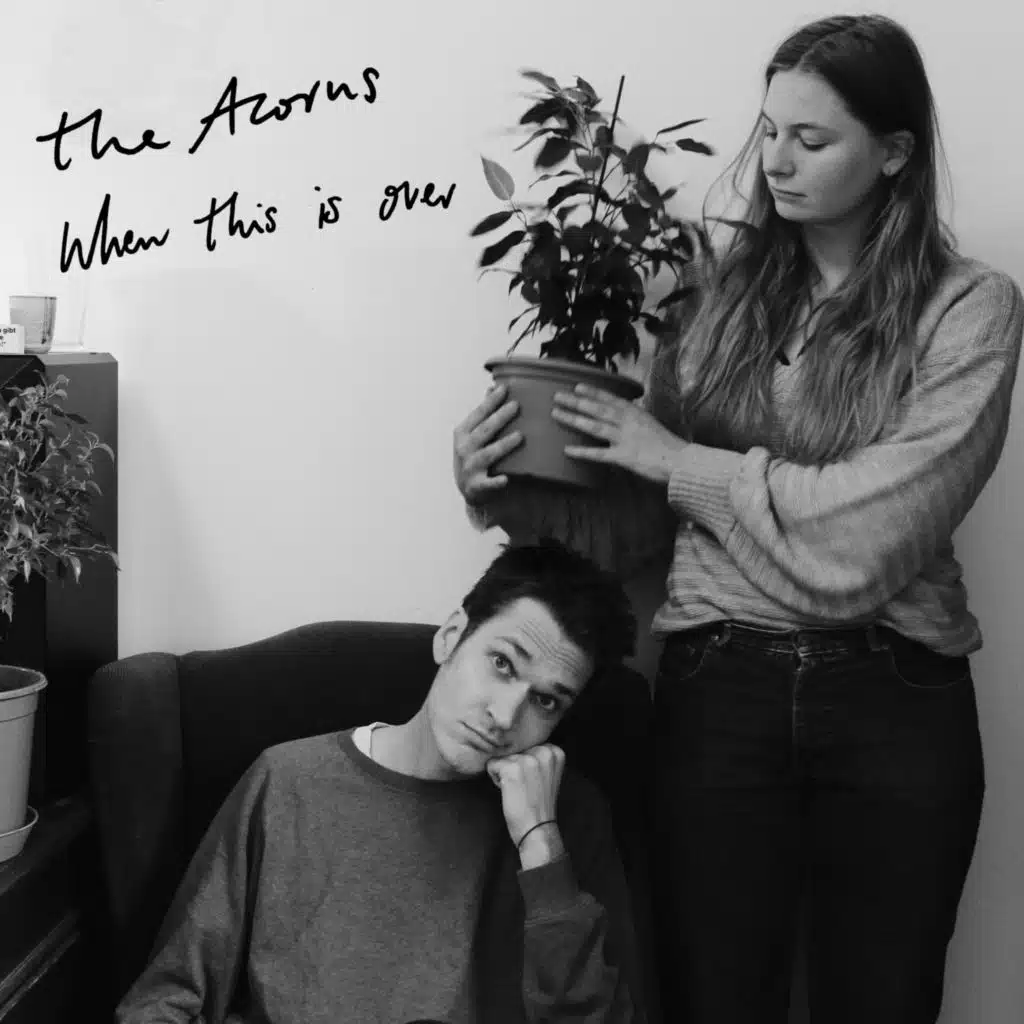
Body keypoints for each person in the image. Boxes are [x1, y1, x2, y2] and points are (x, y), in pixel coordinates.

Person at [453, 14, 1024, 1024]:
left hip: (894, 700)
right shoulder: (714, 300)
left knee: (884, 1003)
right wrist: (497, 486)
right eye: (768, 132)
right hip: (718, 692)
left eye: (812, 139)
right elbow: (641, 530)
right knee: (709, 1001)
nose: (775, 162)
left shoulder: (968, 309)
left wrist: (684, 464)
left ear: (894, 153)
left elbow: (868, 545)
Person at [115, 540, 647, 1024]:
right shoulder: (288, 781)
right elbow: (164, 1001)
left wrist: (541, 848)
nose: (506, 716)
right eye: (503, 664)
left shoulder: (566, 819)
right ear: (451, 637)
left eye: (546, 701)